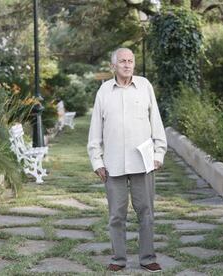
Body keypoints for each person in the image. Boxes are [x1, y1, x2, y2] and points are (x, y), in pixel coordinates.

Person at [87, 48, 167, 272]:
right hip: (113, 164)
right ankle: (118, 259)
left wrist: (159, 154)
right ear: (113, 66)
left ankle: (147, 257)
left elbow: (156, 122)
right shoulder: (104, 91)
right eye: (122, 61)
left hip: (143, 163)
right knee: (116, 216)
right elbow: (95, 130)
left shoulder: (145, 86)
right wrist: (97, 161)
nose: (127, 64)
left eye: (130, 61)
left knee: (146, 212)